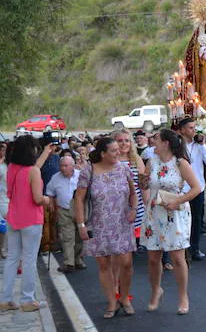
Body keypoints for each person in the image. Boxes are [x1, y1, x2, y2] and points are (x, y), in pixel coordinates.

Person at [74, 137, 137, 319]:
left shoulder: (124, 169)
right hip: (99, 223)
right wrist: (81, 225)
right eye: (114, 150)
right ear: (103, 153)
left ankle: (124, 298)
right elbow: (79, 199)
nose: (119, 153)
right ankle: (111, 301)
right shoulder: (89, 170)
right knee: (104, 264)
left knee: (126, 262)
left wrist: (133, 209)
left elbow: (133, 192)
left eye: (119, 149)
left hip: (122, 221)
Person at [142, 128, 201, 315]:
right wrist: (143, 181)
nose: (153, 141)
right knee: (153, 258)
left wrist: (177, 201)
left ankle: (183, 296)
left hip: (175, 213)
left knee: (177, 258)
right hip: (154, 213)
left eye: (156, 138)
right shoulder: (152, 161)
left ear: (166, 143)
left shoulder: (180, 163)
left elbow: (196, 188)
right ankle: (155, 291)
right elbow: (145, 184)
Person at [0, 135, 50, 312]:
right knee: (29, 259)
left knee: (13, 258)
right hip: (31, 219)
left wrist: (46, 152)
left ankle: (5, 299)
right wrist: (47, 199)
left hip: (13, 217)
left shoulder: (12, 167)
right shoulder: (32, 171)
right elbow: (37, 198)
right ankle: (27, 299)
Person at [178, 118, 206, 261]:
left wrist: (203, 145)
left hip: (197, 188)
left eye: (194, 127)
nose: (193, 130)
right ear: (182, 130)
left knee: (196, 219)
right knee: (182, 220)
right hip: (181, 189)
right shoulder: (178, 146)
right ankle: (182, 249)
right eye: (190, 128)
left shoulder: (199, 145)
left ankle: (195, 248)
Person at [45, 155, 84, 273]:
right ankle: (69, 263)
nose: (62, 168)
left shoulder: (81, 175)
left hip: (80, 210)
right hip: (64, 210)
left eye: (66, 166)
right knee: (67, 238)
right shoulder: (55, 178)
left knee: (79, 238)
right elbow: (50, 193)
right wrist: (51, 205)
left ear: (72, 166)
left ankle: (77, 259)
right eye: (61, 165)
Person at [112, 129, 147, 251]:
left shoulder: (137, 160)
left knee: (133, 245)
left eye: (127, 140)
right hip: (115, 207)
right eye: (120, 141)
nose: (124, 143)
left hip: (136, 207)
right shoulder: (109, 160)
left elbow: (143, 185)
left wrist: (147, 205)